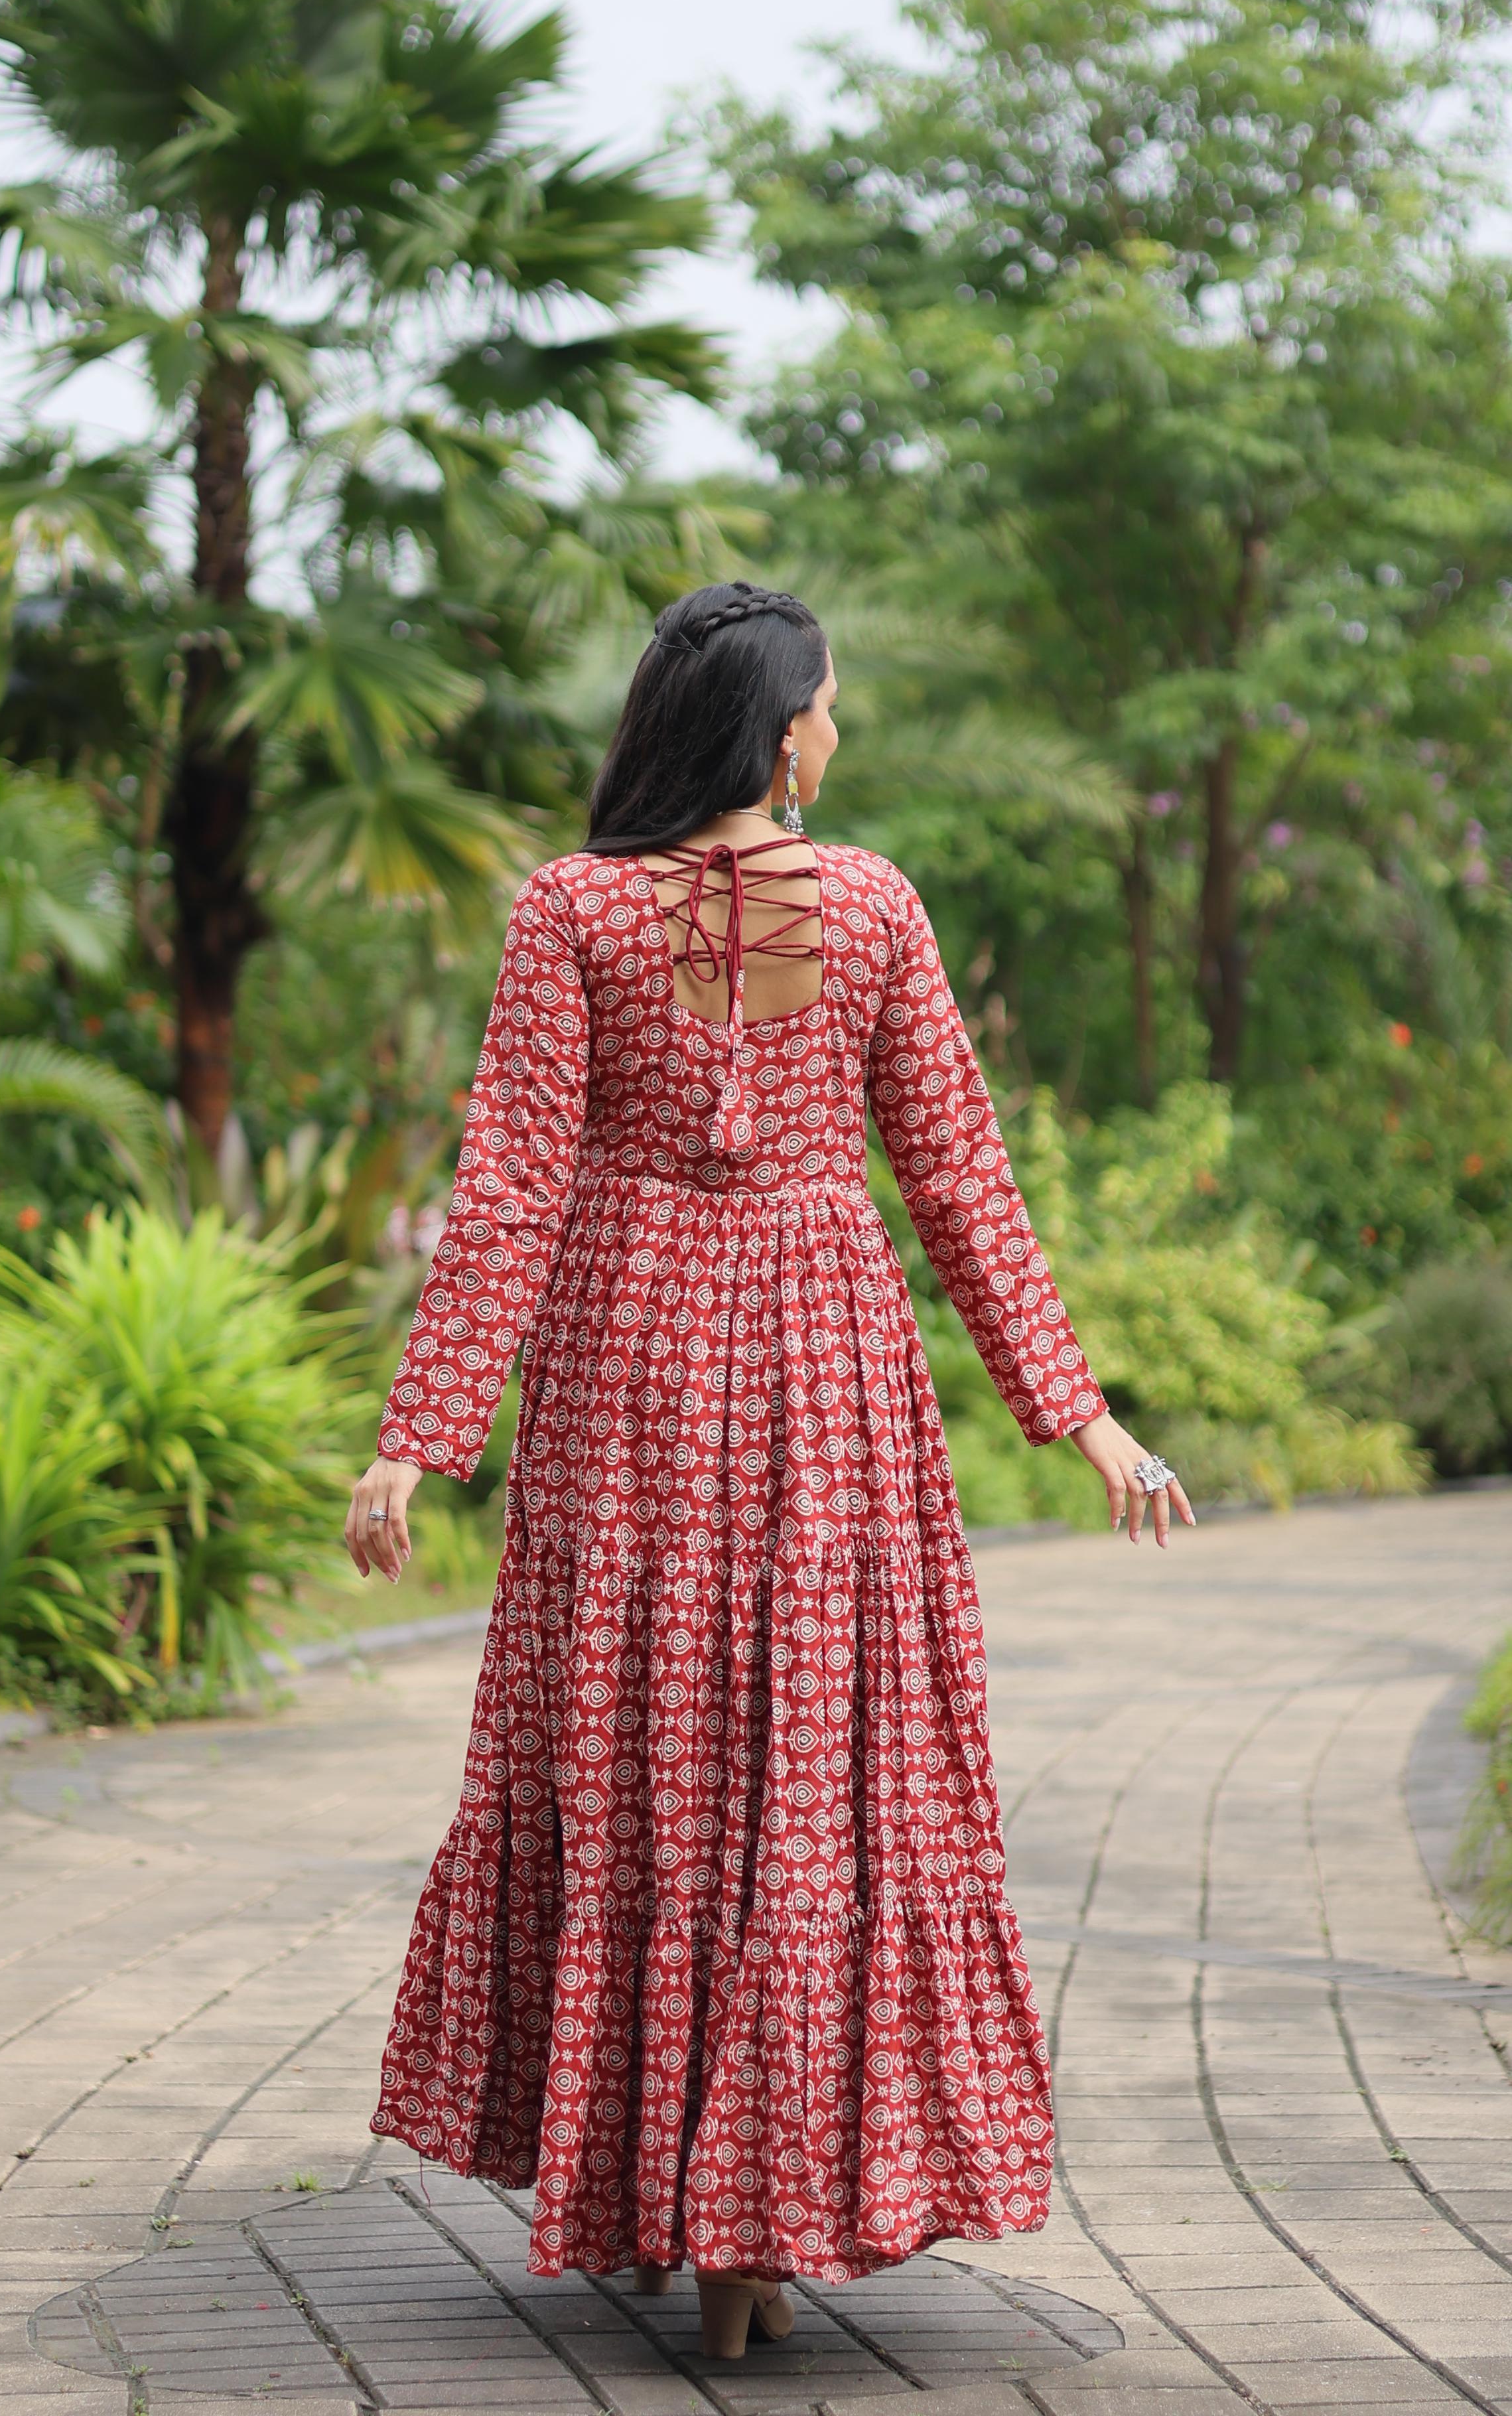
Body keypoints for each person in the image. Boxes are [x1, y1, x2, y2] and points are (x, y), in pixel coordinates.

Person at [346, 581, 1194, 2359]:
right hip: (823, 1378)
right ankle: (756, 2229)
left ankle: (660, 2196)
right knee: (811, 1772)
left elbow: (507, 1190)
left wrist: (412, 1449)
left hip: (626, 1375)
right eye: (829, 704)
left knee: (642, 1752)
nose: (840, 727)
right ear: (780, 731)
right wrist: (1079, 1414)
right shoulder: (870, 903)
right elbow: (960, 1179)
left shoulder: (572, 909)